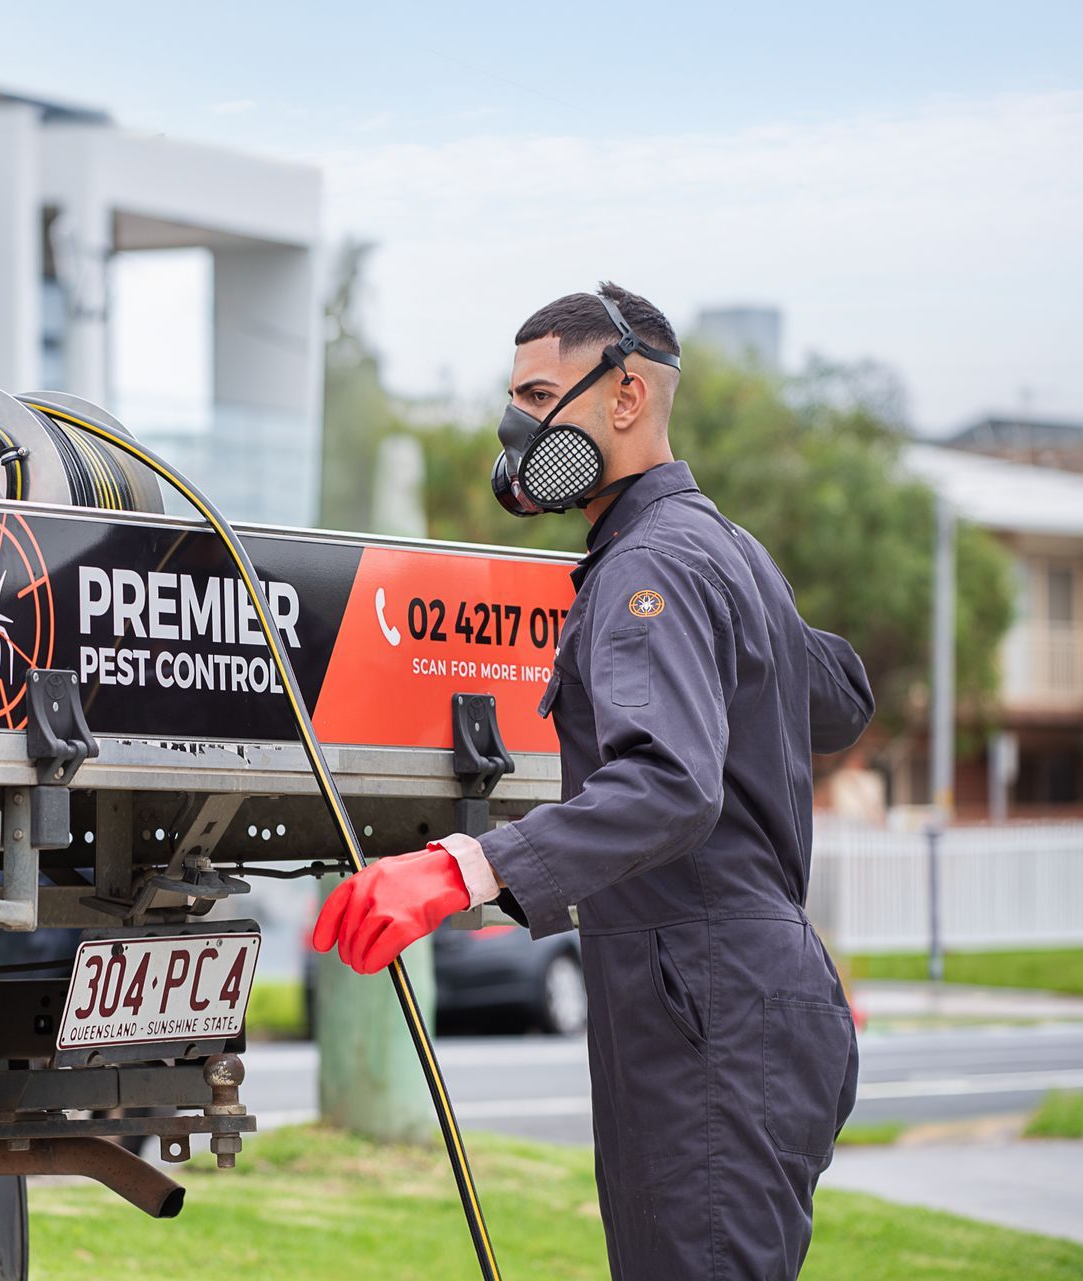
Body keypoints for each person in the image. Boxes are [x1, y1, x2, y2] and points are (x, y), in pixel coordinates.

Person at [312, 283, 874, 1278]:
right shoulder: (724, 549)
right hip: (753, 998)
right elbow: (842, 699)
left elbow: (669, 786)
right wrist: (754, 609)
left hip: (707, 1006)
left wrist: (457, 870)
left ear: (623, 398)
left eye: (536, 393)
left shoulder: (648, 565)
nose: (515, 424)